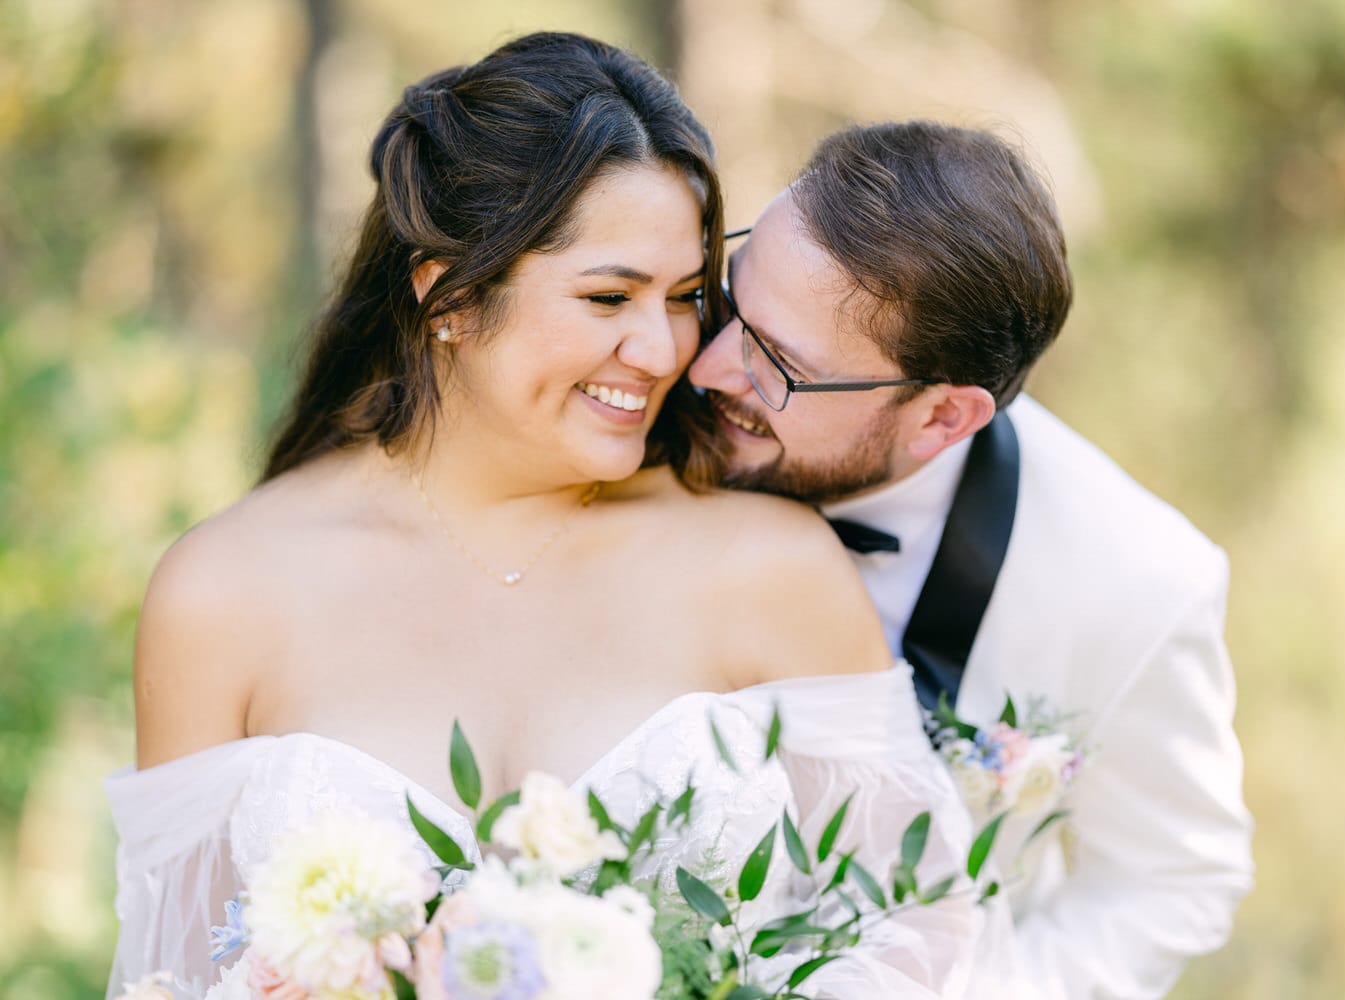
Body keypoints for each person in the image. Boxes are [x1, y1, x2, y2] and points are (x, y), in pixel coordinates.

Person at [106, 36, 998, 999]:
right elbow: (174, 976)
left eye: (688, 298)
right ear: (447, 291)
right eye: (608, 295)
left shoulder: (769, 565)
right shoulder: (224, 591)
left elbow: (928, 924)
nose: (661, 349)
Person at [688, 120, 1255, 999]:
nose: (711, 369)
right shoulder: (637, 423)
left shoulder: (1142, 583)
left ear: (942, 419)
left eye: (780, 366)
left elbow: (1175, 879)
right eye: (731, 300)